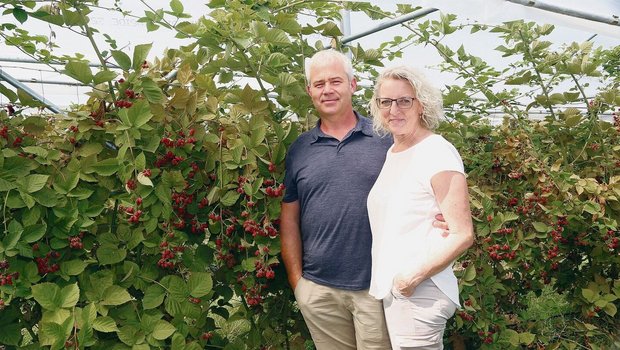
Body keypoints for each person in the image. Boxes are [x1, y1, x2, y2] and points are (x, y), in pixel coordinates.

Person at [280, 50, 450, 349]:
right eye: (319, 84)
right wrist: (299, 283)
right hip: (319, 291)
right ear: (309, 91)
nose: (327, 90)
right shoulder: (300, 149)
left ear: (353, 85)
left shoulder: (387, 137)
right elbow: (290, 218)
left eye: (336, 81)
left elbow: (426, 182)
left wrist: (443, 218)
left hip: (378, 287)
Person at [366, 66, 475, 350]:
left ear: (422, 104)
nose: (394, 109)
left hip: (419, 290)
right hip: (402, 292)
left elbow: (462, 233)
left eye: (404, 100)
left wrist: (409, 280)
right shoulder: (394, 151)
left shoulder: (435, 151)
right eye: (386, 101)